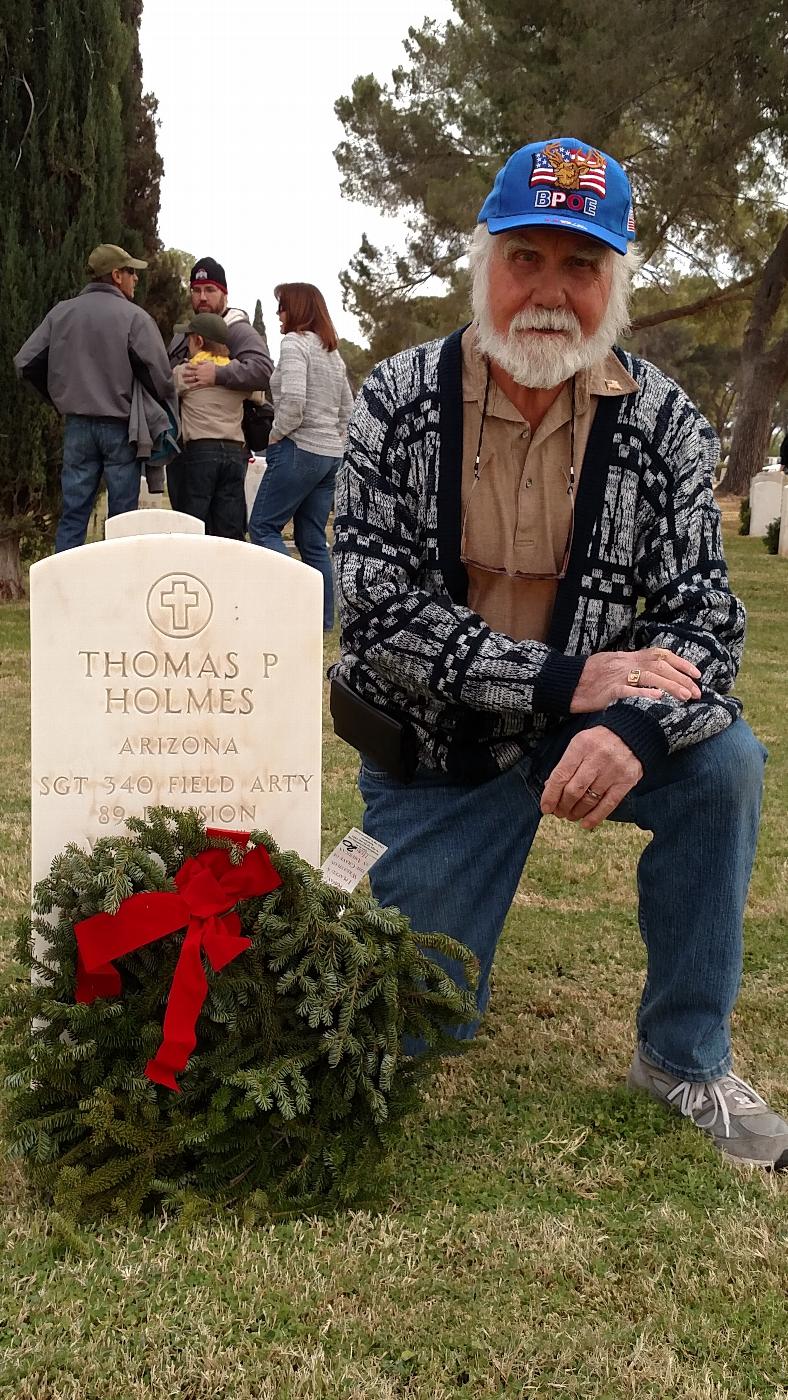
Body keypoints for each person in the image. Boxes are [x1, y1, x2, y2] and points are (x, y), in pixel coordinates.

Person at [331, 137, 788, 1170]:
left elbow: (701, 619)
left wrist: (627, 724)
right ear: (480, 263)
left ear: (615, 283)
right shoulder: (396, 400)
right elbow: (372, 611)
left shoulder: (665, 420)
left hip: (587, 723)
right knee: (421, 1024)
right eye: (524, 257)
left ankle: (682, 1055)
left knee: (723, 765)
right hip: (436, 749)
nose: (548, 291)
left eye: (579, 266)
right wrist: (560, 680)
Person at [14, 244, 174, 550]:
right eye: (130, 273)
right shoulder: (134, 317)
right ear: (116, 275)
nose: (135, 279)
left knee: (74, 514)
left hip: (77, 426)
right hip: (121, 428)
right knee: (122, 518)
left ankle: (65, 591)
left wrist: (58, 396)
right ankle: (119, 587)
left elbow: (25, 363)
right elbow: (160, 378)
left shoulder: (61, 313)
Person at [248, 283, 354, 631]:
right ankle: (323, 620)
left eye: (282, 307)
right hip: (329, 457)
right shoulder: (331, 353)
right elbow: (348, 411)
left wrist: (276, 434)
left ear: (296, 309)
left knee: (263, 527)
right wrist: (333, 440)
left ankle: (294, 604)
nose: (279, 314)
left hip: (297, 448)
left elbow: (293, 402)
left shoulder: (294, 344)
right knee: (312, 538)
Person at [168, 256, 273, 528]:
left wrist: (217, 375)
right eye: (196, 290)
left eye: (210, 290)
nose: (202, 297)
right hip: (219, 452)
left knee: (192, 530)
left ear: (224, 293)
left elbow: (263, 372)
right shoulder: (185, 334)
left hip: (199, 452)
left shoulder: (239, 331)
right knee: (227, 533)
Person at [169, 313, 248, 536]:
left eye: (189, 339)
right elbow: (258, 395)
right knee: (230, 526)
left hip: (200, 451)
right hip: (234, 453)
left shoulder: (187, 372)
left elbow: (165, 390)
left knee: (193, 523)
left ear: (199, 341)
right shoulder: (235, 372)